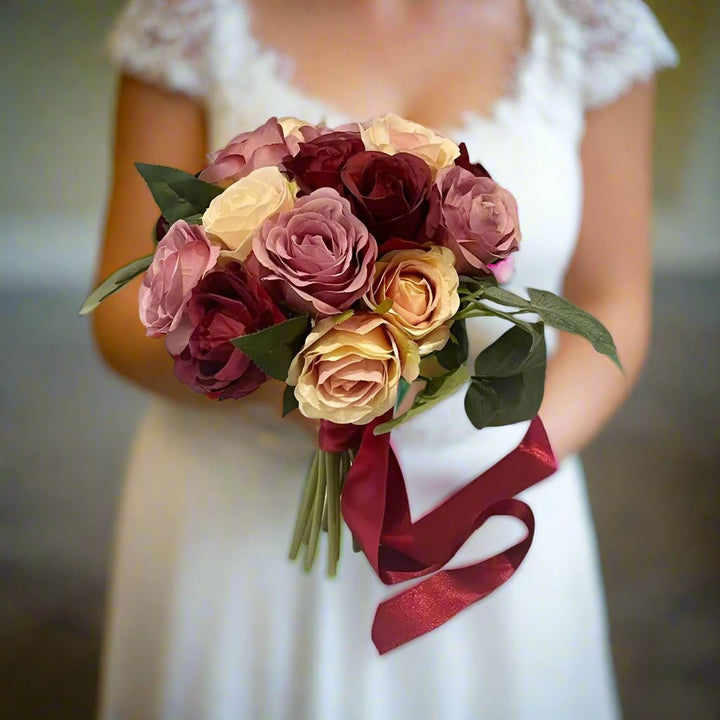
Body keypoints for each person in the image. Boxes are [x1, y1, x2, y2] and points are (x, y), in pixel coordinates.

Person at [93, 1, 677, 718]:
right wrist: (311, 379)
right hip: (239, 502)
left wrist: (496, 483)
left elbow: (613, 304)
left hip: (489, 506)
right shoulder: (192, 17)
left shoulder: (593, 25)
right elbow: (122, 315)